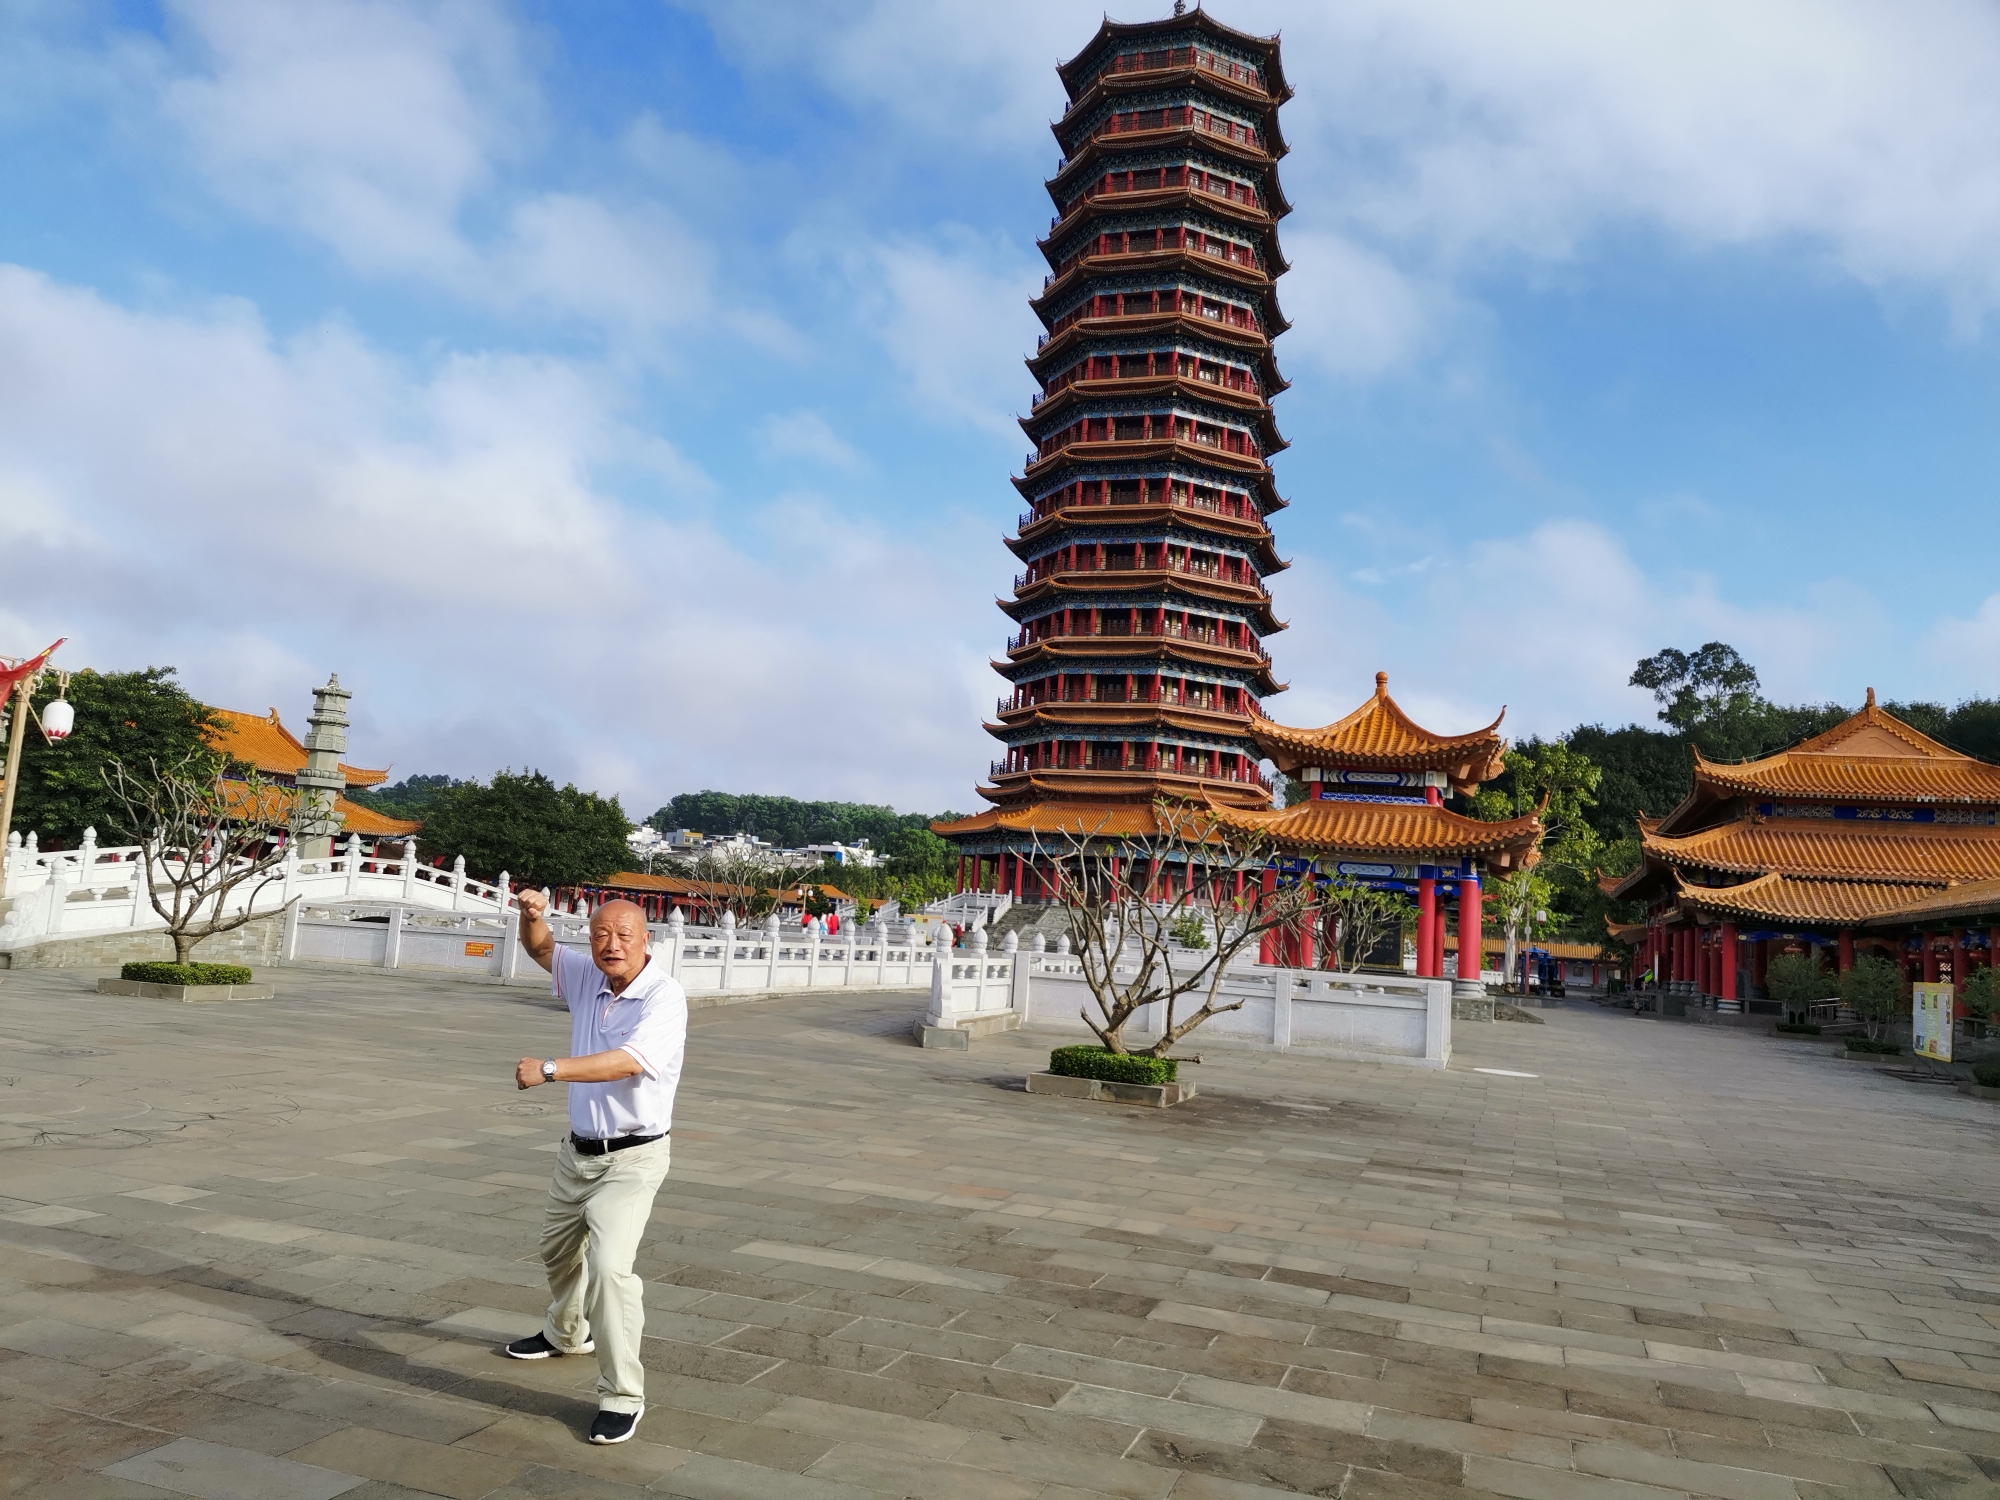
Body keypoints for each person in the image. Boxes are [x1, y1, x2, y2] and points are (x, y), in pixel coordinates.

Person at [500, 891, 687, 1445]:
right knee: (555, 1251)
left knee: (608, 1268)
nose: (612, 946)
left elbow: (630, 1062)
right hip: (577, 1151)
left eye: (625, 936)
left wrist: (551, 1069)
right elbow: (541, 951)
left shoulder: (664, 996)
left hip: (634, 1157)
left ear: (646, 940)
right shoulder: (586, 978)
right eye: (601, 935)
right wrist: (530, 917)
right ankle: (566, 1332)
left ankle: (622, 1394)